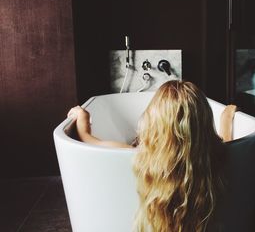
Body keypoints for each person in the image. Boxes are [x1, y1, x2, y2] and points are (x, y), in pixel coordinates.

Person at [68, 80, 237, 232]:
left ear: (153, 122)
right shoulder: (213, 157)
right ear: (204, 123)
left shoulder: (139, 156)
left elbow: (87, 139)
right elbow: (228, 145)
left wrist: (83, 115)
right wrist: (226, 117)